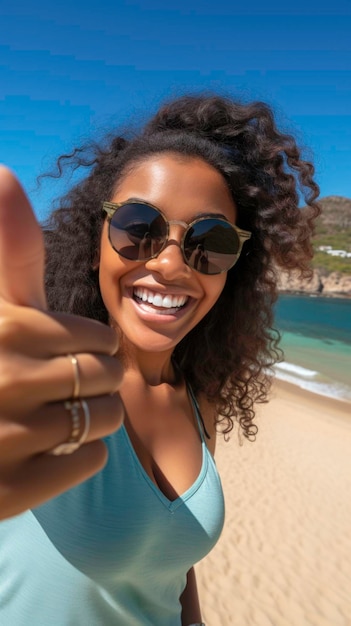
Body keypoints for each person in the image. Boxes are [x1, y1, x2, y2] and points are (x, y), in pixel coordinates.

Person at [0, 93, 320, 625]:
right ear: (96, 238)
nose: (170, 264)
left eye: (210, 241)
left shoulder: (202, 399)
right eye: (138, 227)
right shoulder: (40, 379)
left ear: (232, 268)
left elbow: (174, 566)